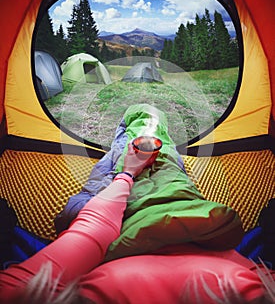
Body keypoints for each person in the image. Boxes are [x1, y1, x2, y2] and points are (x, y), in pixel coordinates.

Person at [0, 104, 274, 303]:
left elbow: (93, 229)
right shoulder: (263, 287)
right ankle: (138, 129)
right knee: (155, 144)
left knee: (132, 141)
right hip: (188, 212)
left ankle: (129, 132)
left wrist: (128, 173)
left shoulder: (19, 293)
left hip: (116, 222)